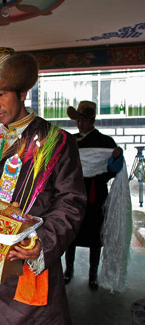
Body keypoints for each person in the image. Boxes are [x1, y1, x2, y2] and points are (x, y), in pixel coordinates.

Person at [0, 47, 86, 324]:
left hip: (26, 257)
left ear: (22, 93)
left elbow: (71, 202)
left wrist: (43, 241)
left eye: (1, 94)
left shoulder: (57, 141)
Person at [64, 101, 124, 290]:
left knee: (95, 237)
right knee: (71, 234)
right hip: (73, 194)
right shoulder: (70, 142)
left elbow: (113, 170)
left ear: (92, 120)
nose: (80, 124)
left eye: (84, 120)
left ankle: (92, 276)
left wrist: (115, 157)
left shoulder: (105, 143)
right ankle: (69, 271)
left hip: (96, 195)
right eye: (78, 120)